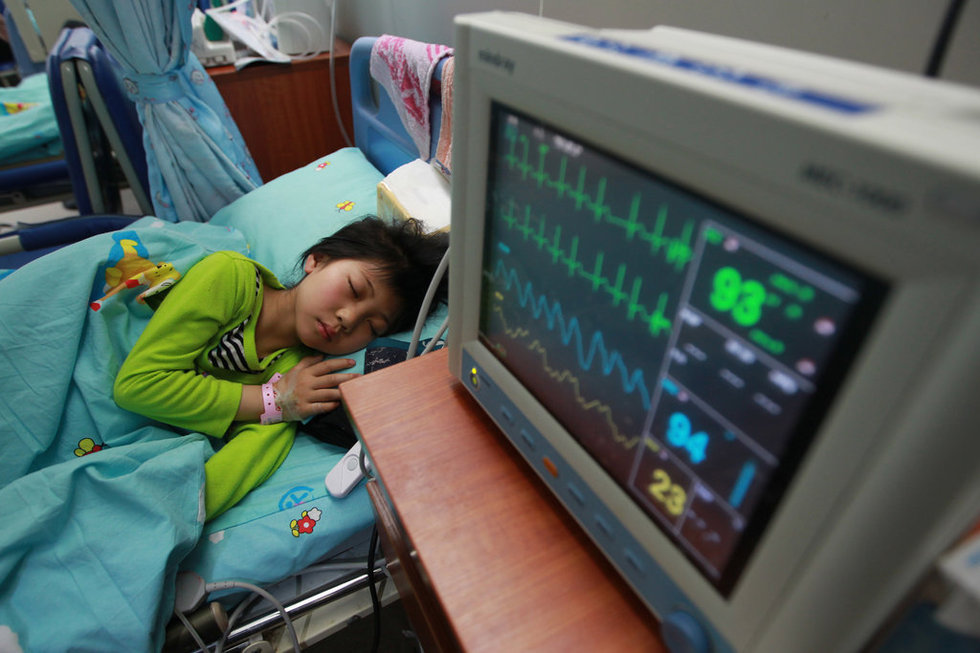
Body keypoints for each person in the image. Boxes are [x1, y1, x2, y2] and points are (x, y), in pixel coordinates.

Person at [114, 215, 448, 520]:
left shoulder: (298, 379)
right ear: (316, 260)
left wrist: (168, 520)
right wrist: (272, 400)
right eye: (354, 289)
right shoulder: (230, 277)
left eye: (371, 326)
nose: (348, 318)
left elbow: (215, 485)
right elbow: (137, 385)